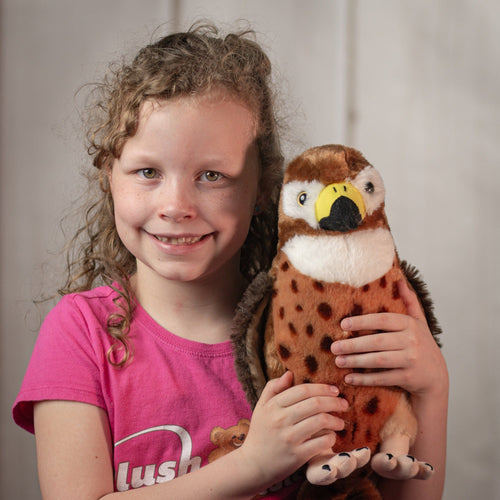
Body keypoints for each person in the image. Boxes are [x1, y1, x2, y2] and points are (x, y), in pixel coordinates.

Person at [12, 23, 448, 500]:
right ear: (108, 177)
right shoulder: (81, 333)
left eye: (212, 175)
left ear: (262, 189)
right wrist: (253, 464)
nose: (176, 204)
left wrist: (431, 390)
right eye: (148, 172)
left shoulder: (307, 330)